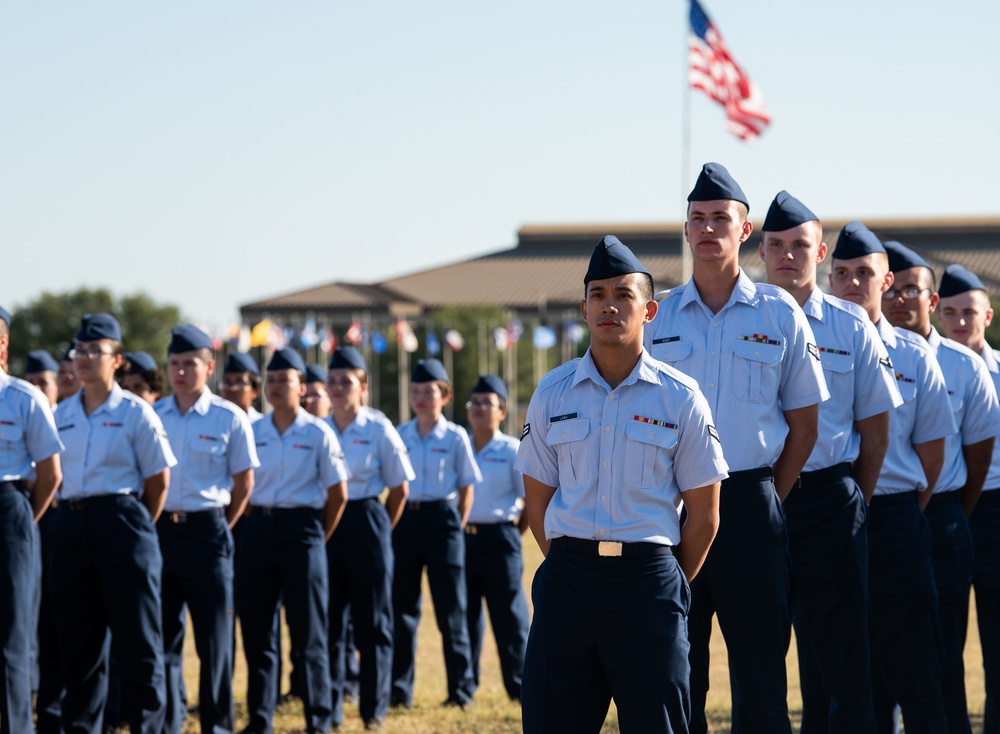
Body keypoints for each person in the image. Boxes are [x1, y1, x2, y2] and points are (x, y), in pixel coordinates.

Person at [645, 164, 827, 733]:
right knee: (679, 669)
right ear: (685, 229)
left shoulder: (779, 313)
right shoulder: (657, 317)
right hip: (673, 506)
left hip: (752, 504)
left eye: (720, 218)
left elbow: (804, 424)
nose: (707, 228)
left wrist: (770, 493)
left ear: (744, 231)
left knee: (761, 674)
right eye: (697, 218)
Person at [516, 236, 725, 733]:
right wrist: (576, 561)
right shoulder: (552, 392)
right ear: (584, 308)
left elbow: (705, 515)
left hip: (648, 586)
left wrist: (661, 578)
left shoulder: (681, 399)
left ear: (650, 310)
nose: (610, 304)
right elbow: (538, 502)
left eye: (624, 294)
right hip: (568, 583)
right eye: (598, 294)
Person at [758, 191, 900, 733]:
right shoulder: (739, 322)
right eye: (776, 245)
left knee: (843, 655)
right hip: (759, 497)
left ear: (821, 255)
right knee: (760, 651)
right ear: (762, 250)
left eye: (800, 245)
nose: (787, 255)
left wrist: (851, 500)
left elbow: (876, 432)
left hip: (829, 502)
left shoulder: (851, 326)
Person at [828, 223, 956, 734]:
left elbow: (932, 457)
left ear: (886, 282)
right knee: (840, 669)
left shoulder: (913, 354)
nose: (852, 283)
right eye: (841, 274)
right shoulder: (812, 342)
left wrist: (899, 509)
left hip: (895, 519)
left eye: (865, 274)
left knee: (915, 668)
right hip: (832, 520)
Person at [881, 242, 999, 734]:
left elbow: (976, 457)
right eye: (895, 288)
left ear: (928, 300)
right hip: (886, 517)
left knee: (947, 648)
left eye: (914, 290)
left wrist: (947, 510)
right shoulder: (867, 353)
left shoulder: (963, 366)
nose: (902, 299)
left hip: (948, 513)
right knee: (882, 649)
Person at [50, 312, 177, 733]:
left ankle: (148, 726)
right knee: (78, 645)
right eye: (78, 351)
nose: (83, 358)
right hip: (71, 524)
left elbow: (158, 482)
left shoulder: (136, 413)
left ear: (117, 360)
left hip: (122, 521)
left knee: (138, 643)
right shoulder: (62, 413)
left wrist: (133, 525)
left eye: (94, 351)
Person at [235, 347, 348, 734]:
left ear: (302, 387)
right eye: (272, 380)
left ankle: (319, 719)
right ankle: (259, 719)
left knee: (310, 633)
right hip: (259, 531)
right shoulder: (252, 431)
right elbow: (242, 486)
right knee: (258, 632)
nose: (277, 386)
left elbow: (338, 495)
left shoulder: (318, 432)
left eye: (286, 380)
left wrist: (317, 535)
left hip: (303, 533)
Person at [153, 325, 259, 734]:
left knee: (215, 641)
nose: (181, 372)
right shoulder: (155, 413)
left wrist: (222, 528)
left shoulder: (228, 417)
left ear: (209, 367)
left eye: (190, 364)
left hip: (208, 531)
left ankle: (216, 726)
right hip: (161, 533)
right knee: (161, 636)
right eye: (175, 364)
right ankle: (166, 722)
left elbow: (244, 483)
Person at [325, 346, 413, 730]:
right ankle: (329, 705)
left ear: (363, 386)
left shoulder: (377, 428)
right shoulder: (318, 427)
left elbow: (399, 489)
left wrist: (378, 528)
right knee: (328, 621)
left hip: (367, 519)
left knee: (372, 621)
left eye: (347, 381)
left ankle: (373, 709)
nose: (338, 388)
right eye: (332, 381)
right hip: (327, 522)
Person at [391, 358, 481, 710]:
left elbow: (466, 489)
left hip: (444, 522)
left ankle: (460, 691)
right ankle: (399, 691)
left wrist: (453, 527)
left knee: (451, 612)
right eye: (416, 391)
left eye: (429, 391)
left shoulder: (456, 436)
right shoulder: (400, 435)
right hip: (407, 522)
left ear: (444, 396)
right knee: (402, 609)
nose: (421, 398)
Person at [936, 264, 1000, 733]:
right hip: (949, 509)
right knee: (942, 636)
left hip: (996, 510)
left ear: (988, 316)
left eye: (969, 313)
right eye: (951, 313)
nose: (960, 322)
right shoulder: (928, 365)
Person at [0, 305, 63, 734]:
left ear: (3, 344)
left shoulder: (24, 397)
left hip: (8, 508)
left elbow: (50, 474)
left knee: (12, 639)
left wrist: (21, 518)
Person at [463, 374, 529, 702]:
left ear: (502, 412)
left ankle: (519, 688)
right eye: (474, 402)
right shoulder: (459, 445)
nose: (478, 408)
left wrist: (511, 533)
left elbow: (529, 503)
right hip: (463, 540)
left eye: (486, 403)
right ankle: (463, 688)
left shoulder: (511, 449)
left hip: (501, 540)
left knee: (510, 620)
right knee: (464, 618)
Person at [220, 352, 264, 423]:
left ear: (255, 392)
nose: (232, 388)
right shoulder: (213, 423)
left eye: (239, 382)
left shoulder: (261, 426)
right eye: (227, 382)